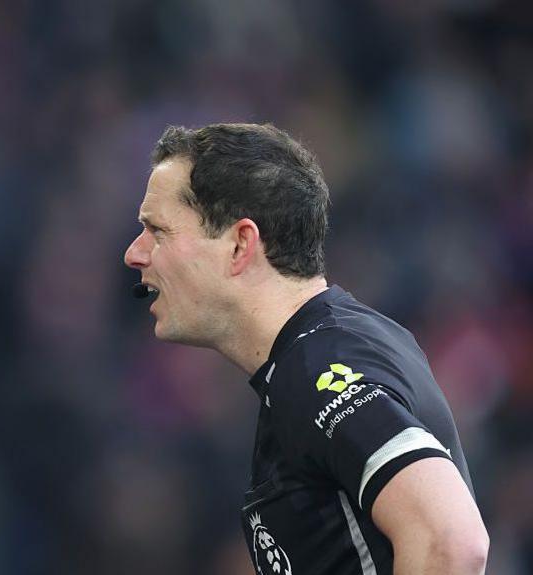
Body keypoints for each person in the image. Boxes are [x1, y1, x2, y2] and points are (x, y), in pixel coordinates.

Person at [123, 123, 489, 574]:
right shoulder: (332, 347)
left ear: (240, 244)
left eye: (157, 231)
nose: (134, 254)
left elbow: (451, 540)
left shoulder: (321, 367)